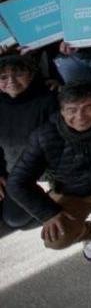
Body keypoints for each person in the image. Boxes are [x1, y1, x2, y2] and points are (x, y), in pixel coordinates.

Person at [7, 83, 91, 261]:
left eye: (88, 108)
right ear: (62, 110)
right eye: (71, 110)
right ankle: (90, 231)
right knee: (56, 238)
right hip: (72, 193)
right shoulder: (43, 135)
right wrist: (48, 213)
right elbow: (17, 182)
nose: (80, 117)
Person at [0, 56, 58, 229]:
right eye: (3, 77)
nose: (11, 81)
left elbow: (58, 145)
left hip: (44, 173)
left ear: (31, 74)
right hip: (14, 174)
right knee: (12, 218)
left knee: (16, 219)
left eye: (18, 74)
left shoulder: (48, 99)